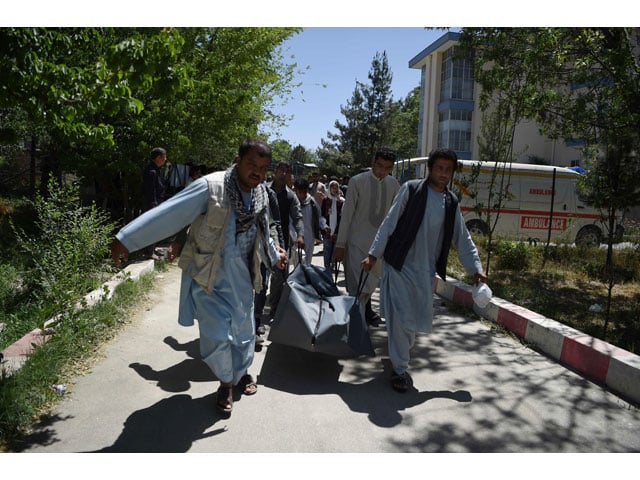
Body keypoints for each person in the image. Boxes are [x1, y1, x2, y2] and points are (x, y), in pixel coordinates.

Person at [110, 138, 287, 415]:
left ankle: (240, 374)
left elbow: (264, 230)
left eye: (264, 168)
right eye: (252, 165)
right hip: (210, 279)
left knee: (243, 335)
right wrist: (126, 239)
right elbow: (170, 213)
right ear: (238, 161)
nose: (258, 173)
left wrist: (275, 256)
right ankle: (226, 383)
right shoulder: (211, 187)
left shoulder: (261, 194)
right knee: (216, 336)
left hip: (244, 278)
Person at [361, 148, 487, 393]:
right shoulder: (411, 190)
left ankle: (400, 356)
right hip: (398, 264)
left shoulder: (450, 202)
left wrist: (476, 268)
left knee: (411, 321)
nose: (443, 173)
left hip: (425, 271)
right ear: (430, 168)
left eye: (448, 169)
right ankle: (400, 369)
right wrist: (373, 253)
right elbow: (390, 222)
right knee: (400, 319)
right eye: (439, 168)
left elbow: (463, 238)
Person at [334, 147, 400, 326]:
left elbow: (396, 216)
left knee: (370, 285)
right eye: (379, 166)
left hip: (379, 247)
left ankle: (360, 317)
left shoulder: (394, 185)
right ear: (373, 162)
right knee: (357, 286)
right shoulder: (357, 181)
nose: (382, 171)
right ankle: (356, 323)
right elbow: (347, 214)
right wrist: (340, 245)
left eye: (387, 168)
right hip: (356, 243)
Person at [266, 161, 305, 319]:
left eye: (287, 171)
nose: (284, 174)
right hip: (260, 241)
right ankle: (256, 314)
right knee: (260, 279)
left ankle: (274, 310)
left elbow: (298, 217)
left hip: (280, 244)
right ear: (275, 171)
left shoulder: (291, 196)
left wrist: (300, 234)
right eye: (281, 170)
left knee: (279, 279)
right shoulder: (263, 190)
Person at [142, 147, 168, 259]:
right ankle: (148, 251)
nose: (165, 159)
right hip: (153, 204)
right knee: (151, 228)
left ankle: (152, 249)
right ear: (158, 158)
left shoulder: (157, 170)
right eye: (164, 157)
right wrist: (154, 205)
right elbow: (150, 190)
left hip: (158, 202)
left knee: (156, 228)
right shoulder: (151, 171)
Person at [293, 177, 326, 266]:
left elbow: (319, 216)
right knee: (298, 265)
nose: (301, 195)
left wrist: (324, 226)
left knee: (307, 264)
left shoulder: (311, 202)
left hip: (309, 238)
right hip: (296, 239)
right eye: (299, 192)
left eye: (304, 192)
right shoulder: (292, 202)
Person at [320, 180, 345, 277]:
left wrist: (337, 231)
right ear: (329, 188)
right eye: (332, 187)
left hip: (337, 231)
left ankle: (333, 266)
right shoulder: (326, 200)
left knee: (335, 250)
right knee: (327, 249)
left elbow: (343, 218)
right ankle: (327, 268)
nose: (334, 189)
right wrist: (325, 227)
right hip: (327, 230)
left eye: (336, 187)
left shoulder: (341, 202)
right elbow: (322, 215)